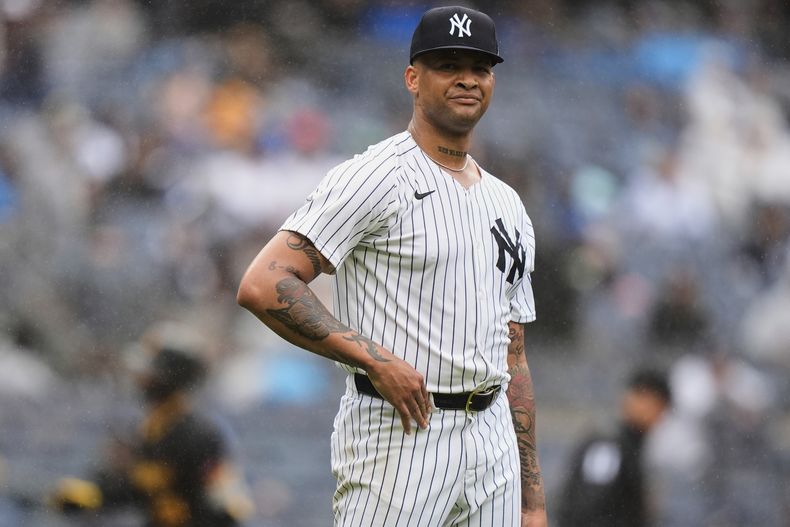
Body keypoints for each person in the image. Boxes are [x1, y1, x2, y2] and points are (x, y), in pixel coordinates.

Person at [236, 6, 548, 526]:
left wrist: (532, 499)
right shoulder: (376, 176)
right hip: (399, 435)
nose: (467, 79)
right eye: (448, 65)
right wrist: (374, 359)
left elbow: (513, 355)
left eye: (480, 67)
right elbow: (264, 283)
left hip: (493, 439)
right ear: (412, 78)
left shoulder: (508, 204)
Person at [50, 322, 255, 527]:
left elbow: (225, 506)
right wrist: (93, 494)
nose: (140, 379)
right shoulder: (147, 431)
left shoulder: (200, 435)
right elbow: (130, 487)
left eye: (148, 372)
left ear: (168, 376)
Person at [556, 368, 672, 527]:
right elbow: (588, 509)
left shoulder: (631, 448)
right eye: (657, 405)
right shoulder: (609, 447)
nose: (660, 416)